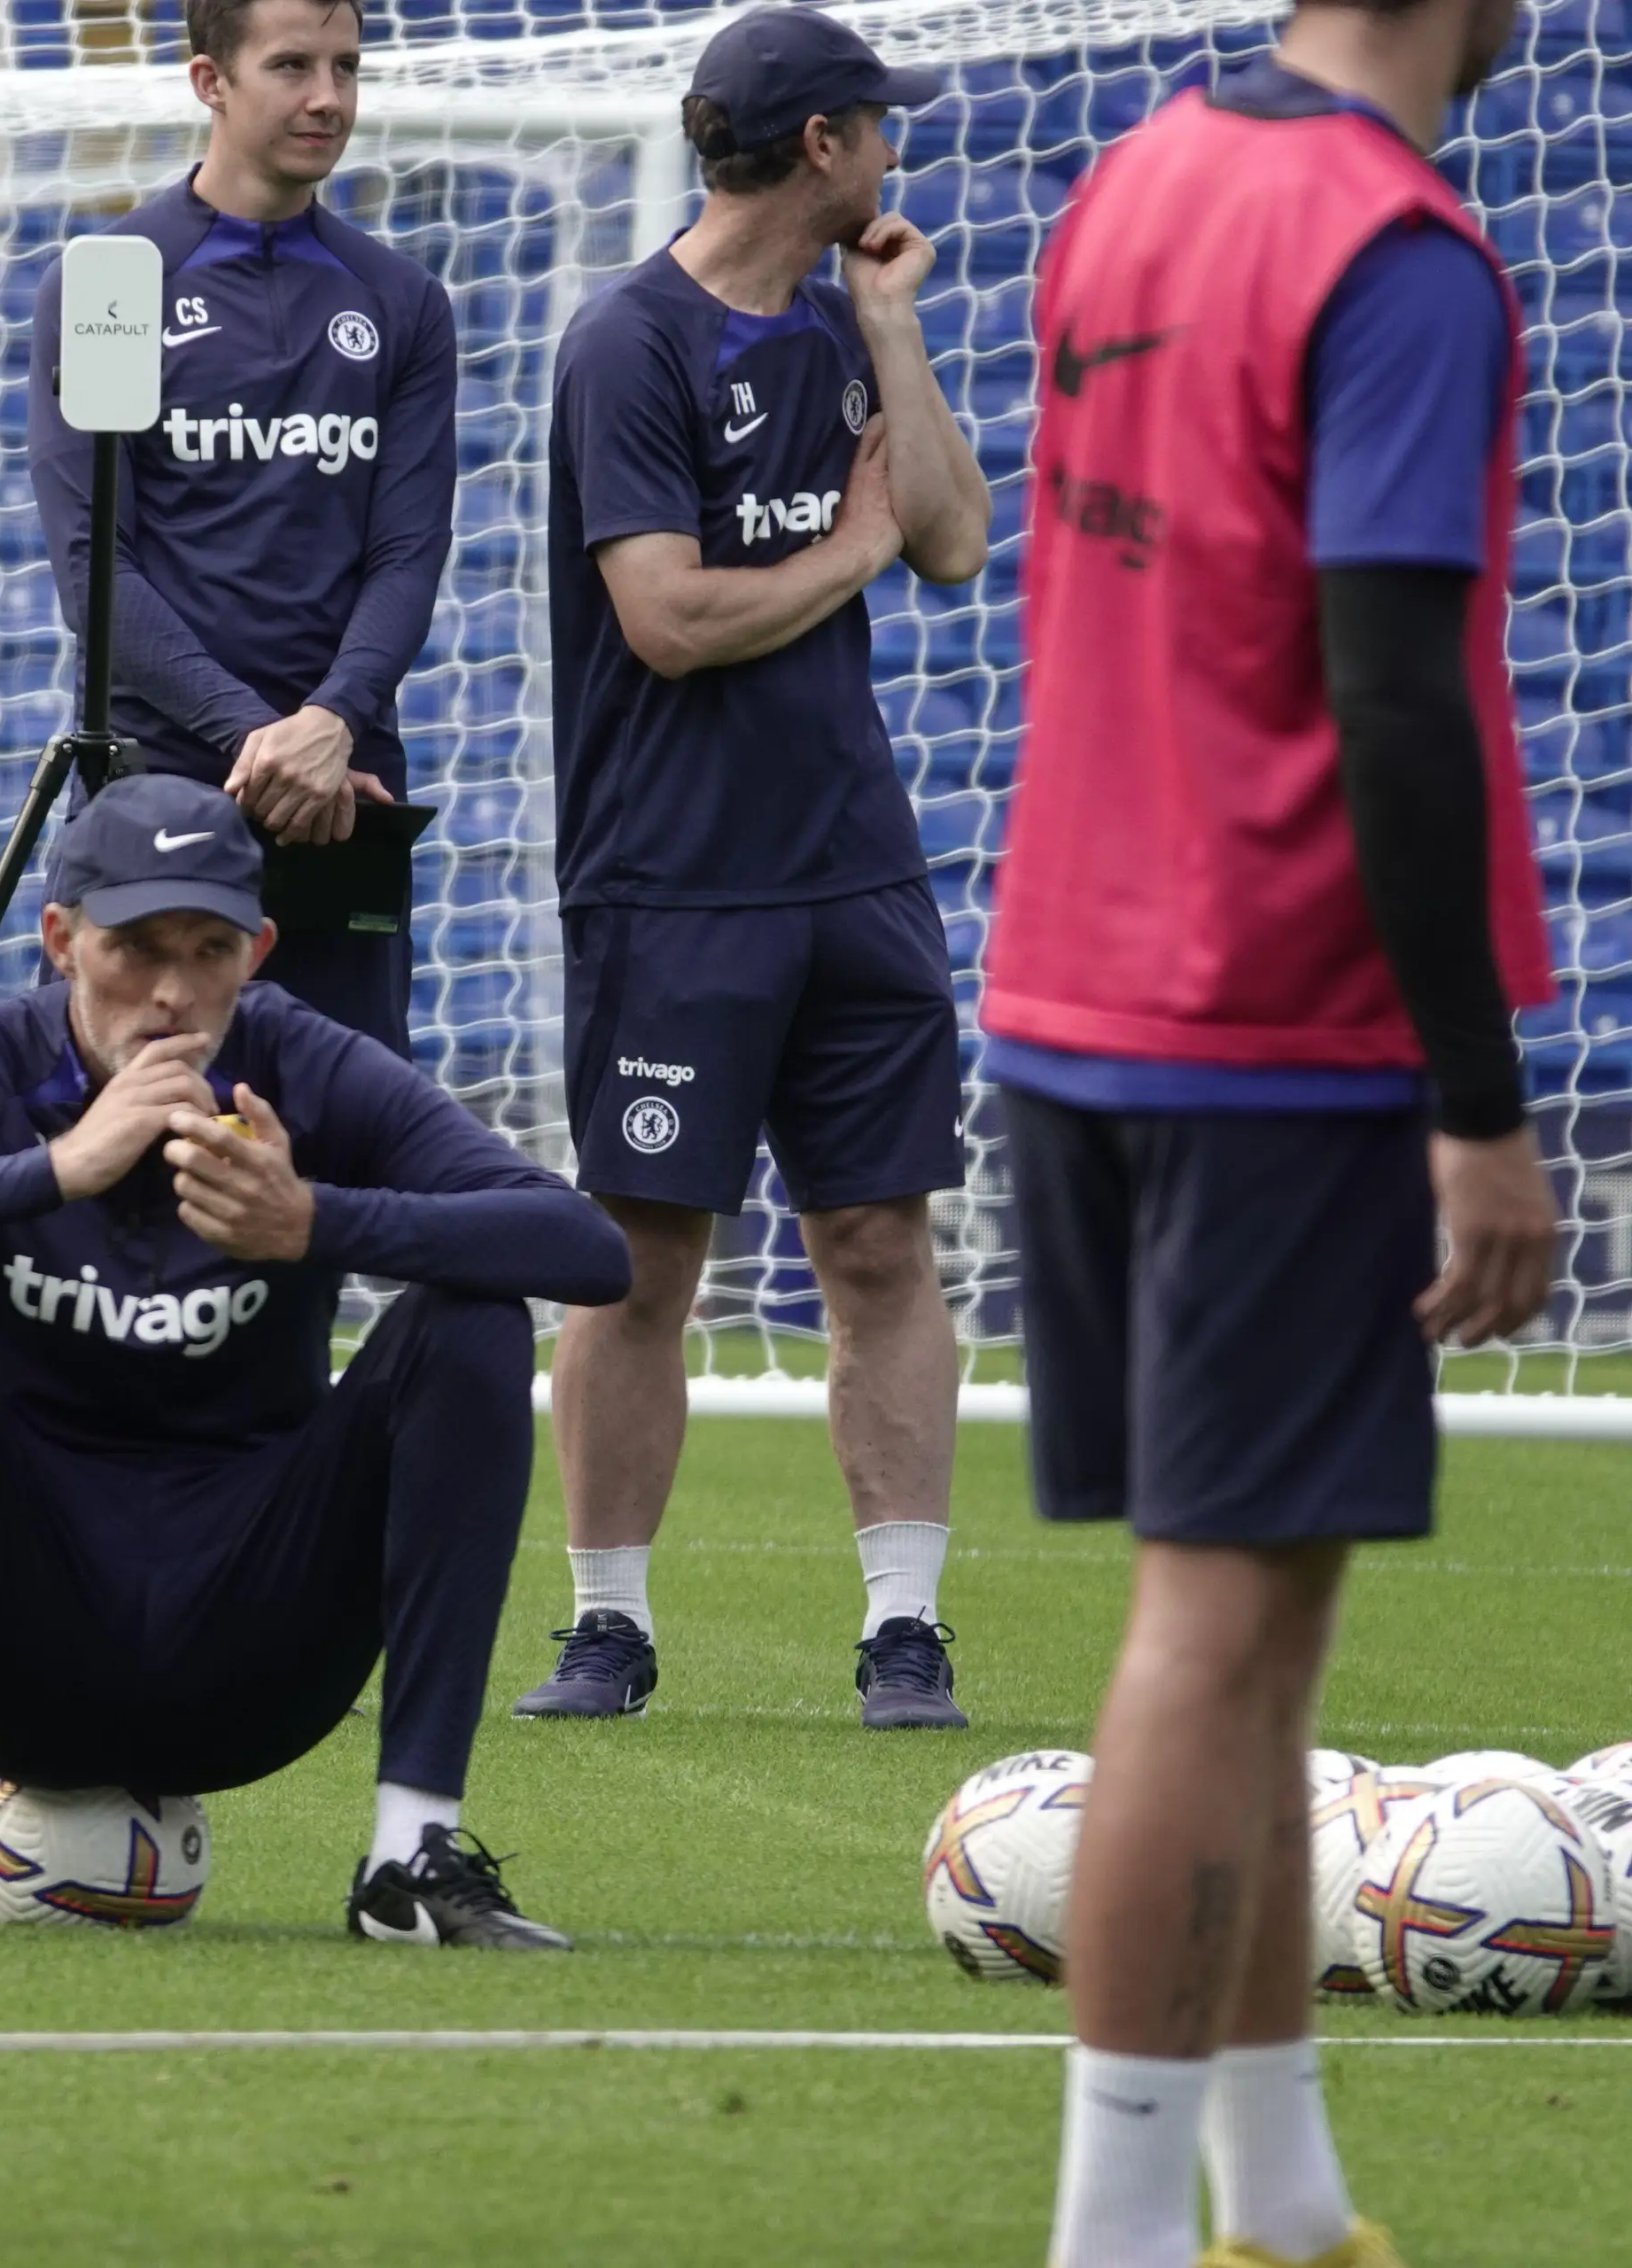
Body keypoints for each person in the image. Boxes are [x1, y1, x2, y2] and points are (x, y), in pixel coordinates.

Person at [990, 4, 1557, 2263]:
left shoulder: (1133, 175)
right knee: (1209, 1637)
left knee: (1254, 1632)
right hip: (1267, 1020)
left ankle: (1280, 2202)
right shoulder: (1392, 249)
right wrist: (1475, 1103)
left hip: (1077, 978)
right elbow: (1394, 697)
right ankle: (1119, 2235)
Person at [0, 773, 630, 1946]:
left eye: (208, 951)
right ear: (60, 941)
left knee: (473, 1320)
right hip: (13, 1660)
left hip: (257, 1651)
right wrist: (56, 1169)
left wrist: (314, 1221)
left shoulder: (303, 1061)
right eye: (133, 949)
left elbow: (586, 1250)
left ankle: (410, 1858)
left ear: (258, 949)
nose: (171, 992)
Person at [521, 5, 990, 1732]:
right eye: (879, 125)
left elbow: (948, 539)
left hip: (851, 872)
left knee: (878, 1238)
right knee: (646, 1257)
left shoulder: (850, 319)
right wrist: (850, 543)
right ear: (822, 146)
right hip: (670, 880)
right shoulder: (625, 341)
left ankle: (905, 1628)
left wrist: (894, 326)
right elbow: (667, 617)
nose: (895, 148)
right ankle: (609, 1624)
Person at [25, 0, 457, 1060]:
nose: (328, 97)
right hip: (170, 780)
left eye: (347, 67)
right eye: (292, 65)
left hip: (343, 786)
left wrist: (333, 720)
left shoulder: (401, 300)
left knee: (343, 1142)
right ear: (210, 82)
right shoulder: (111, 284)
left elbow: (408, 550)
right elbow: (93, 570)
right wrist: (260, 741)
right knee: (146, 1120)